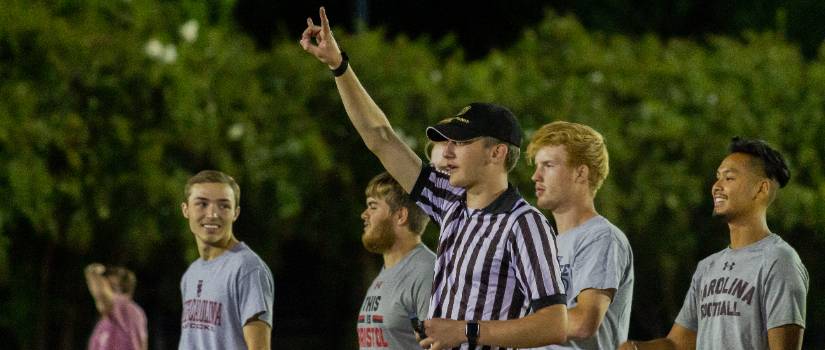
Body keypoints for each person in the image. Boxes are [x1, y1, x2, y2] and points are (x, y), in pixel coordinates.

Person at [301, 8, 568, 350]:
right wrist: (339, 66)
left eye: (461, 143)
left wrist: (465, 332)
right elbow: (380, 138)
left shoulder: (523, 224)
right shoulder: (451, 203)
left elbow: (555, 323)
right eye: (448, 142)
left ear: (496, 153)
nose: (448, 152)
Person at [620, 137, 808, 350]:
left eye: (729, 178)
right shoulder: (708, 267)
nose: (716, 187)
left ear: (761, 189)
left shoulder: (779, 260)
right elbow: (677, 344)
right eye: (717, 178)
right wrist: (636, 348)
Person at [525, 121, 634, 349]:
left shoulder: (601, 237)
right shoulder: (546, 247)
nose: (536, 176)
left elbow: (583, 323)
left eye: (548, 165)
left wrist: (495, 330)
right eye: (537, 166)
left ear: (580, 173)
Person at [178, 170, 275, 350]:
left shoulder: (247, 269)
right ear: (186, 210)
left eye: (224, 206)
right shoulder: (191, 274)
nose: (213, 214)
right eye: (202, 204)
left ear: (235, 213)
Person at [357, 172, 436, 349]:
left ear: (400, 216)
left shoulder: (426, 272)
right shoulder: (387, 272)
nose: (364, 214)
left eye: (373, 206)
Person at [85, 263, 148, 350]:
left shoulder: (124, 307)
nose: (103, 283)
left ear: (116, 286)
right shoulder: (107, 320)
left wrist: (92, 272)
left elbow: (102, 295)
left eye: (105, 281)